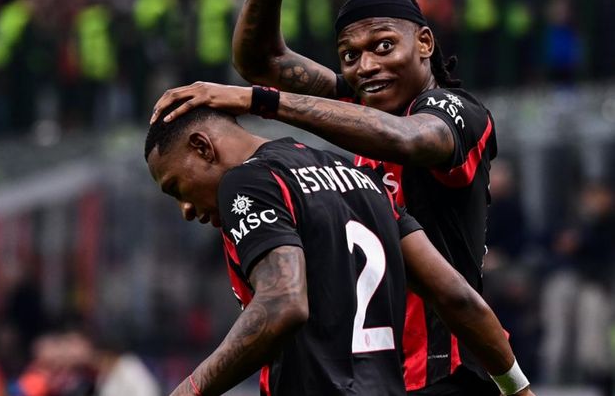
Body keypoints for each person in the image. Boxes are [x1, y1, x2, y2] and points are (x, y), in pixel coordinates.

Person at [150, 0, 501, 395]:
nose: (366, 66)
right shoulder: (362, 103)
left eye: (383, 46)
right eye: (350, 56)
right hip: (383, 375)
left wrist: (259, 101)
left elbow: (407, 140)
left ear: (424, 43)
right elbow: (261, 61)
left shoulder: (458, 112)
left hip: (444, 370)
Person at [144, 103, 533, 396]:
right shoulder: (360, 177)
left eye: (176, 187)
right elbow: (456, 296)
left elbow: (283, 304)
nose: (185, 209)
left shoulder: (247, 182)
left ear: (202, 147)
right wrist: (517, 388)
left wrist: (192, 389)